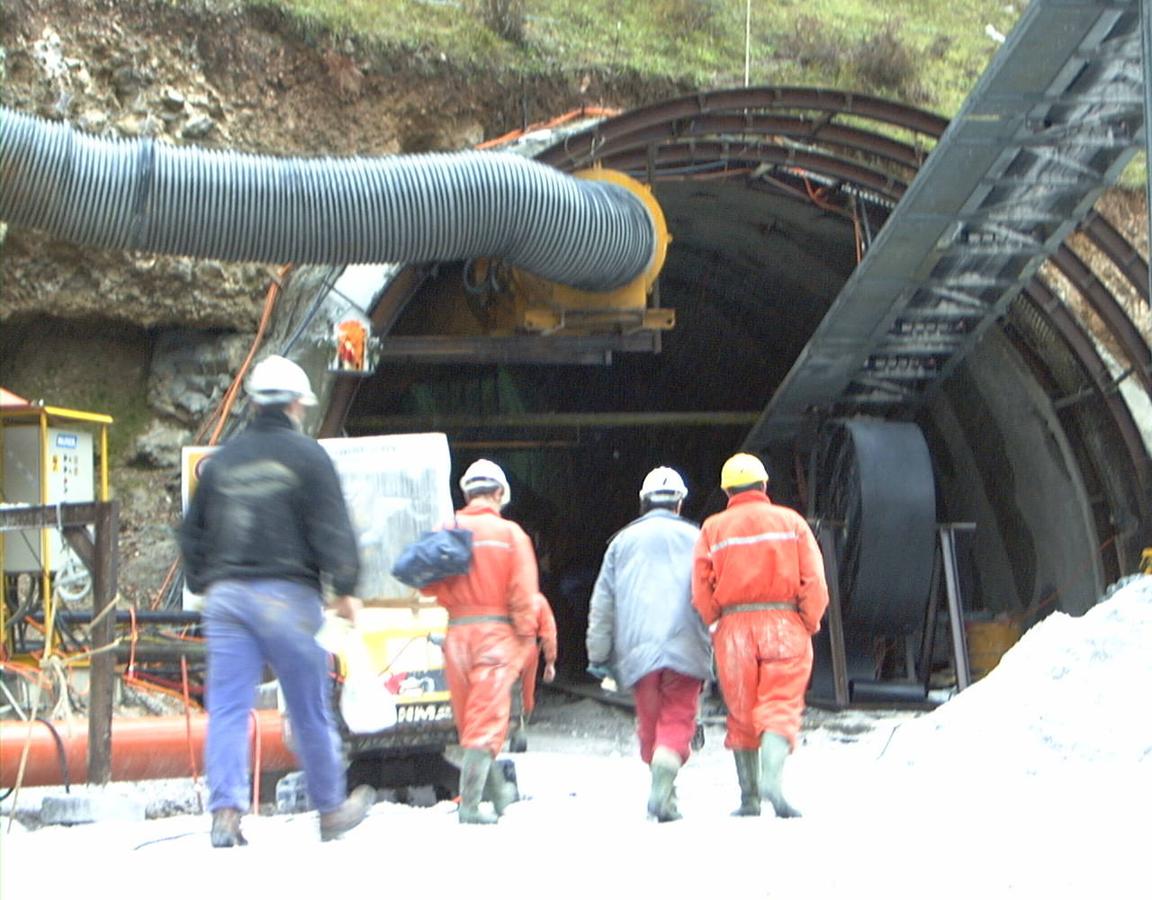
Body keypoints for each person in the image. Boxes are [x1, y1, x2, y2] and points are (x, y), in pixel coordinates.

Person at [179, 355, 376, 847]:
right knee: (309, 707)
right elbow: (332, 528)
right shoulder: (308, 457)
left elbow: (191, 532)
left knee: (226, 708)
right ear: (295, 404)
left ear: (251, 403)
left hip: (226, 600)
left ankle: (225, 813)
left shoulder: (223, 461)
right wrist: (346, 587)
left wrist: (206, 582)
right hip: (287, 596)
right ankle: (330, 808)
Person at [691, 452, 829, 818]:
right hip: (784, 625)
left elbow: (701, 589)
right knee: (779, 705)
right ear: (765, 486)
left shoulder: (712, 529)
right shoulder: (791, 523)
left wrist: (715, 621)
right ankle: (773, 780)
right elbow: (815, 581)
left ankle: (749, 798)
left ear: (726, 491)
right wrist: (808, 622)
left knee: (741, 712)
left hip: (734, 629)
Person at [586, 466, 711, 822]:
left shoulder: (620, 543)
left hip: (637, 653)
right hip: (686, 646)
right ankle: (663, 793)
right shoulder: (698, 538)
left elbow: (603, 604)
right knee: (676, 722)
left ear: (643, 502)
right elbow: (712, 594)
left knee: (651, 725)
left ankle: (663, 791)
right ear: (680, 503)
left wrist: (598, 653)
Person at [424, 459, 541, 824]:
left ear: (466, 492)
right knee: (487, 723)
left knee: (470, 723)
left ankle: (500, 799)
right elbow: (524, 593)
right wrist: (525, 636)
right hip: (494, 635)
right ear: (500, 493)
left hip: (457, 635)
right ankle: (470, 808)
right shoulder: (511, 536)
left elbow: (428, 583)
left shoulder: (448, 529)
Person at [509, 591, 558, 752]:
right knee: (526, 693)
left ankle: (509, 729)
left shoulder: (500, 597)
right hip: (529, 648)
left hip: (504, 647)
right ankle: (520, 729)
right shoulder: (538, 600)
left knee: (503, 692)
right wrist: (550, 662)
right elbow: (549, 632)